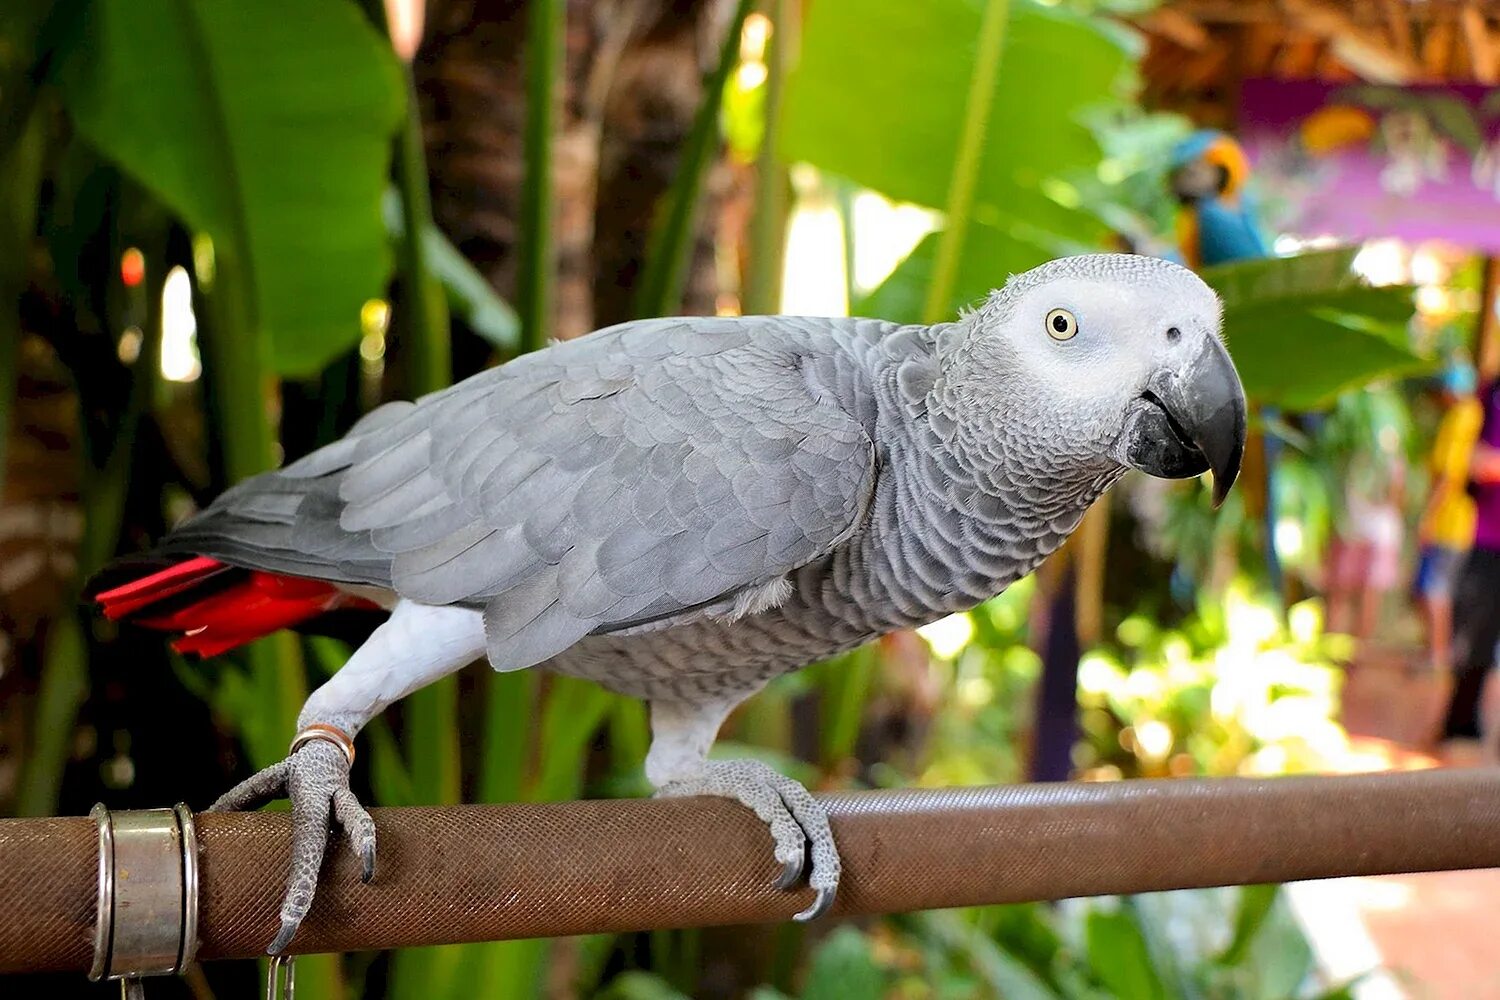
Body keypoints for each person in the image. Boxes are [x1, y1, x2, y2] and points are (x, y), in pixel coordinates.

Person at [1442, 371, 1500, 752]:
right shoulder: (1490, 389)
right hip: (1486, 535)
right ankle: (1460, 722)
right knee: (1472, 633)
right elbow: (1473, 460)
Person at [1413, 362, 1481, 675]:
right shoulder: (1471, 414)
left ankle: (1437, 657)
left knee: (1434, 589)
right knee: (1438, 589)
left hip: (1449, 521)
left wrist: (1427, 517)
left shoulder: (1461, 417)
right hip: (1460, 520)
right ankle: (1436, 653)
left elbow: (1448, 476)